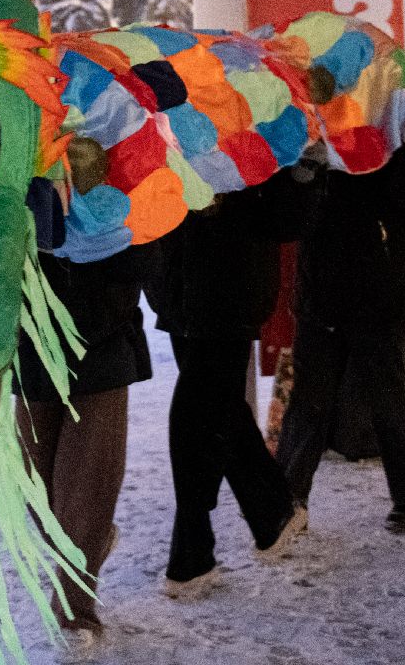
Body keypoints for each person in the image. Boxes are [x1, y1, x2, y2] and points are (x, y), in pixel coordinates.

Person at [144, 162, 321, 597]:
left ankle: (192, 551)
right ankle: (272, 511)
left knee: (197, 413)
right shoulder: (164, 107)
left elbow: (285, 221)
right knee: (219, 407)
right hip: (176, 283)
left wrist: (302, 170)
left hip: (231, 285)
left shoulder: (253, 107)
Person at [275, 117, 405, 533]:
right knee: (310, 399)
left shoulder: (394, 118)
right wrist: (305, 167)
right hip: (323, 289)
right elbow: (289, 218)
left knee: (387, 394)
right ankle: (284, 501)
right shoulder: (308, 122)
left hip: (379, 288)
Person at [16, 242, 155, 656]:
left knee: (89, 481)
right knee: (35, 483)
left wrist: (111, 232)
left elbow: (148, 250)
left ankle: (76, 606)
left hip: (103, 327)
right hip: (31, 327)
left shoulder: (121, 178)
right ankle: (90, 540)